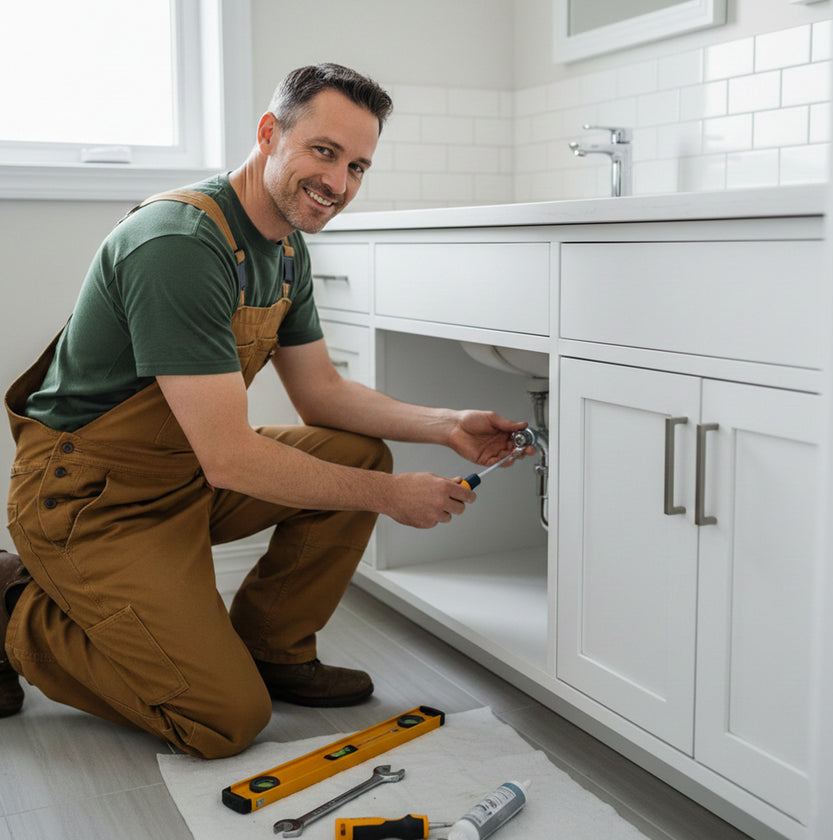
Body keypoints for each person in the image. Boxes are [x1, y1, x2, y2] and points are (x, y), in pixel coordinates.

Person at [1, 63, 529, 758]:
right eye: (324, 152)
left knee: (356, 452)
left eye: (359, 166)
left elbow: (324, 397)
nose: (339, 184)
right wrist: (392, 497)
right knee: (223, 721)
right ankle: (14, 606)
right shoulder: (180, 246)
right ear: (269, 133)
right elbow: (230, 457)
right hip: (92, 499)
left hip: (182, 473)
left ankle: (273, 650)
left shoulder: (284, 251)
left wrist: (446, 424)